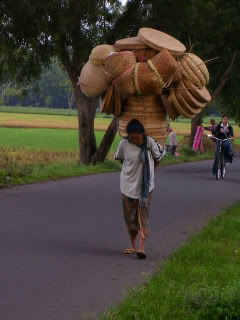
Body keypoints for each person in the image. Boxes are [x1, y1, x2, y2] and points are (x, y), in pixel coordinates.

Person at [115, 119, 165, 259]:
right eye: (132, 138)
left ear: (142, 134)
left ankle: (142, 248)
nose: (135, 140)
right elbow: (120, 158)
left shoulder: (149, 142)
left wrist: (152, 170)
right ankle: (133, 246)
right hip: (127, 186)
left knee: (143, 217)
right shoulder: (124, 144)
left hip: (146, 188)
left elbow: (159, 156)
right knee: (130, 219)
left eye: (137, 138)